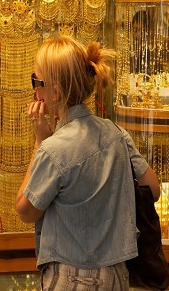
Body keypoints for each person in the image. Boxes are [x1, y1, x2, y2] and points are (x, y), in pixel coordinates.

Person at [15, 35, 160, 291]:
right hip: (117, 275)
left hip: (71, 278)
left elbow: (25, 211)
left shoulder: (54, 149)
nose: (34, 90)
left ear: (55, 90)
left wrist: (39, 143)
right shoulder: (116, 134)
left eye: (36, 81)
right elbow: (153, 190)